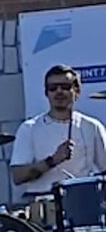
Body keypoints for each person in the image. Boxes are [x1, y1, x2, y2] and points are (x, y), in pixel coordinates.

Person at [9, 64, 106, 197]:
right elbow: (18, 176)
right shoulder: (29, 128)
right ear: (46, 93)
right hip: (44, 200)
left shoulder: (92, 126)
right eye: (53, 88)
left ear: (77, 91)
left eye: (65, 87)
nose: (59, 92)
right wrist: (52, 160)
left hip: (82, 200)